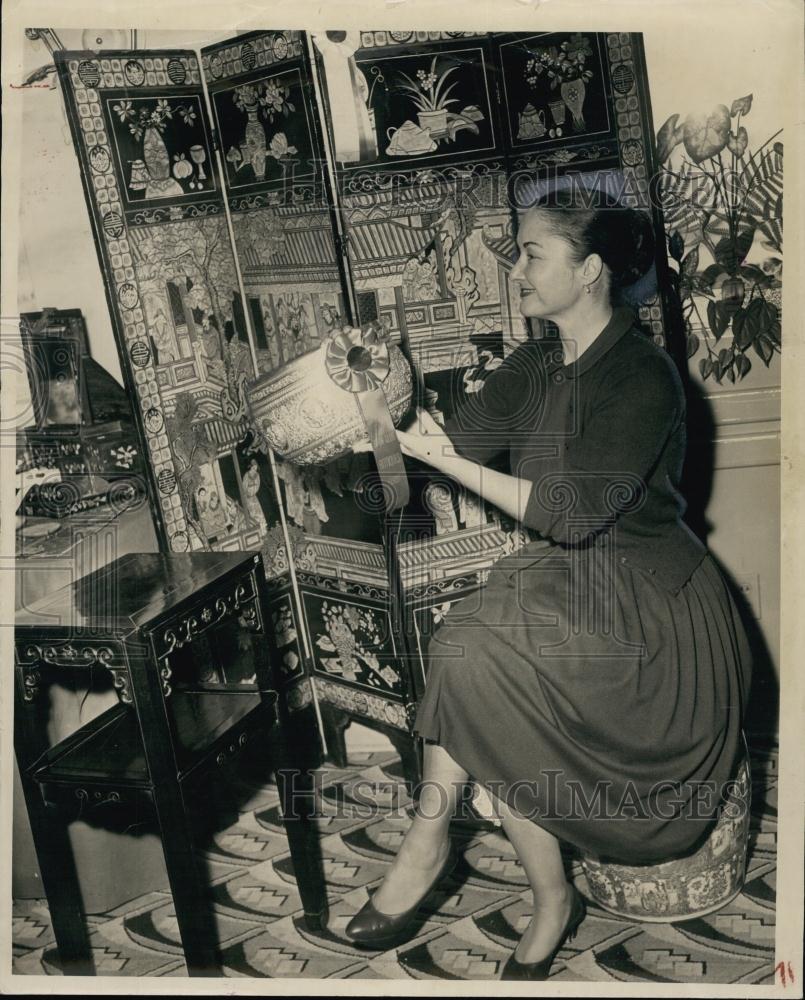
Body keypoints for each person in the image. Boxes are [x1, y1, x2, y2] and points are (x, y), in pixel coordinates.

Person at [344, 188, 752, 980]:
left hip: (651, 610)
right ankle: (536, 888)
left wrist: (444, 460)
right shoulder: (535, 363)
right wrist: (367, 401)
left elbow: (569, 514)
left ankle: (436, 844)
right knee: (470, 655)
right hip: (564, 582)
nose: (515, 266)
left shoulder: (644, 377)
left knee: (476, 652)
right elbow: (446, 445)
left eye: (531, 252)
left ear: (591, 269)